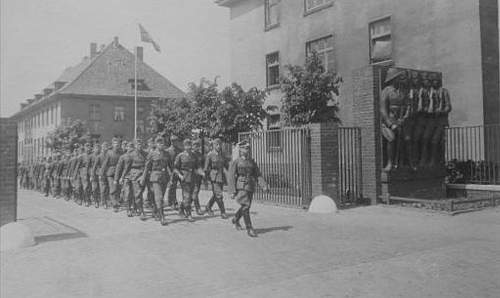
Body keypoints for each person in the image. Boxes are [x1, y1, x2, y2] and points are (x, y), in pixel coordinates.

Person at [227, 140, 269, 237]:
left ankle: (236, 218)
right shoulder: (236, 162)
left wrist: (264, 185)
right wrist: (232, 191)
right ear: (241, 150)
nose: (247, 150)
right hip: (241, 186)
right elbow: (231, 176)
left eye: (248, 148)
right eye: (245, 148)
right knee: (246, 206)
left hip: (250, 186)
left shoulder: (251, 162)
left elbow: (257, 174)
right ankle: (249, 228)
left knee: (247, 206)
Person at [380, 68, 408, 172]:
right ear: (393, 78)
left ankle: (400, 162)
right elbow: (383, 110)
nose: (400, 80)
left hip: (400, 119)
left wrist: (404, 117)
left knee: (405, 140)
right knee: (391, 139)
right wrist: (390, 124)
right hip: (389, 121)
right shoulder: (386, 91)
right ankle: (390, 162)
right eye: (398, 77)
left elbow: (407, 105)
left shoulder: (402, 91)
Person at [173, 139, 204, 222]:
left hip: (193, 178)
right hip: (184, 178)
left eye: (190, 145)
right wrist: (179, 175)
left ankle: (181, 208)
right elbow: (175, 168)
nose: (189, 147)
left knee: (190, 197)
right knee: (187, 196)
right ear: (184, 146)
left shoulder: (194, 155)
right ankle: (189, 214)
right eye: (187, 145)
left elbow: (198, 166)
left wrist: (201, 172)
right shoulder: (180, 156)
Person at [144, 136, 172, 225]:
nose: (161, 145)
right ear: (156, 144)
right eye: (159, 143)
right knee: (159, 197)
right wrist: (143, 178)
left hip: (164, 177)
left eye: (162, 143)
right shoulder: (152, 154)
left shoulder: (167, 154)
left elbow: (170, 166)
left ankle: (156, 211)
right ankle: (162, 216)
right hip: (155, 177)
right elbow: (147, 167)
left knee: (161, 197)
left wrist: (171, 177)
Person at [121, 139, 148, 219]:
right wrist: (123, 177)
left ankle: (136, 208)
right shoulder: (131, 154)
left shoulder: (145, 154)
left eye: (141, 144)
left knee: (139, 193)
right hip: (133, 175)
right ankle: (136, 210)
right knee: (134, 193)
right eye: (138, 144)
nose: (139, 146)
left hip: (143, 175)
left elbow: (147, 164)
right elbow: (127, 167)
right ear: (135, 145)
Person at [204, 138, 228, 219]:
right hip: (213, 177)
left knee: (216, 194)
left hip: (221, 177)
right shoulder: (210, 155)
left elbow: (225, 165)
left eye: (220, 145)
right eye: (216, 144)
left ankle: (208, 206)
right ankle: (223, 212)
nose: (218, 146)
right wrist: (206, 180)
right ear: (213, 145)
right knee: (219, 195)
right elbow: (206, 168)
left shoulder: (222, 155)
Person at [100, 138, 122, 212]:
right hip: (111, 173)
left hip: (119, 173)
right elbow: (105, 164)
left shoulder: (120, 152)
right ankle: (114, 205)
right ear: (112, 145)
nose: (116, 145)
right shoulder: (109, 153)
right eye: (115, 144)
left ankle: (116, 201)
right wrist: (101, 174)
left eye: (117, 144)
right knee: (113, 188)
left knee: (118, 189)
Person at [166, 135, 182, 210]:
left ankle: (184, 203)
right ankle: (172, 202)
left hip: (179, 170)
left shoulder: (179, 150)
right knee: (172, 187)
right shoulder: (167, 151)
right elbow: (166, 164)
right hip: (171, 171)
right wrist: (169, 173)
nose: (175, 142)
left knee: (183, 186)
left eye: (176, 141)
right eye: (173, 141)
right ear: (171, 142)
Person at [191, 138, 205, 215]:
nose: (196, 147)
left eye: (198, 145)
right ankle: (198, 208)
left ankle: (183, 208)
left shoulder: (200, 155)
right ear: (192, 146)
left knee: (194, 193)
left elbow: (202, 165)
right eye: (194, 145)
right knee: (195, 192)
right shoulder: (191, 154)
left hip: (199, 177)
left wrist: (203, 173)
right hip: (192, 176)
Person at [95, 142, 110, 208]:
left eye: (106, 147)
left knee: (107, 189)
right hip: (101, 174)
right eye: (104, 147)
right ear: (102, 148)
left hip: (109, 173)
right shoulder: (99, 156)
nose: (105, 148)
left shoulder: (109, 155)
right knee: (102, 189)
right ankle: (103, 202)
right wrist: (99, 173)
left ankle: (106, 201)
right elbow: (95, 166)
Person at [89, 143, 101, 208]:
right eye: (96, 148)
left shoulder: (101, 155)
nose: (97, 150)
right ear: (94, 149)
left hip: (100, 173)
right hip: (93, 173)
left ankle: (99, 199)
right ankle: (96, 201)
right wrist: (90, 174)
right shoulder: (91, 156)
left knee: (100, 188)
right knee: (94, 188)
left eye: (98, 148)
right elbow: (89, 166)